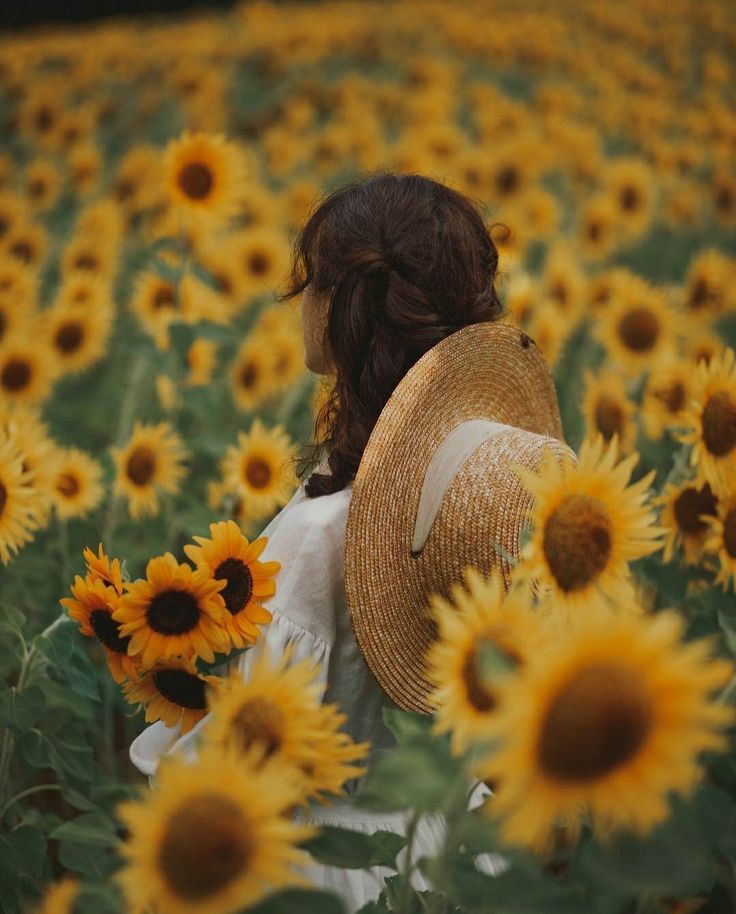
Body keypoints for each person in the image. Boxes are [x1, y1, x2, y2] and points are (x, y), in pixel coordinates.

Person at [128, 172, 575, 911]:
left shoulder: (321, 536)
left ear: (340, 310)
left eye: (310, 284)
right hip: (449, 859)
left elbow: (237, 762)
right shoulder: (484, 473)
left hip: (321, 873)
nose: (299, 302)